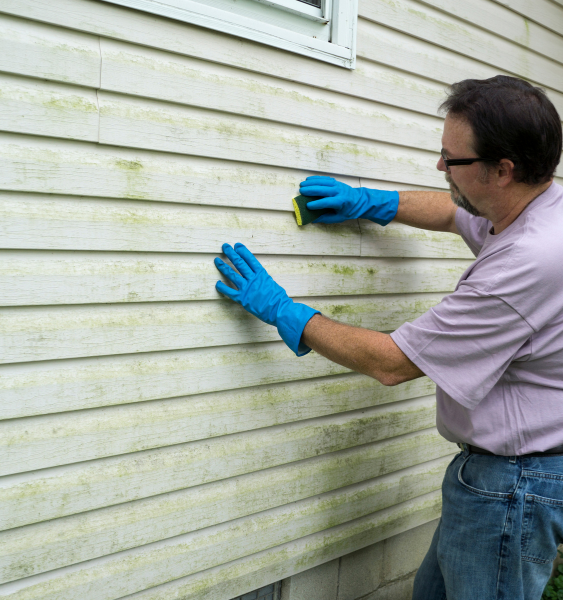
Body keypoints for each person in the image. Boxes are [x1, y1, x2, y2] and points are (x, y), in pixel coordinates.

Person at [213, 75, 563, 600]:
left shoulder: (525, 265)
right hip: (498, 478)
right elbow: (453, 211)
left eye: (453, 160)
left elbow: (393, 363)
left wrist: (283, 311)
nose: (440, 168)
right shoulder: (536, 206)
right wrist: (371, 202)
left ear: (502, 170)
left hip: (511, 488)